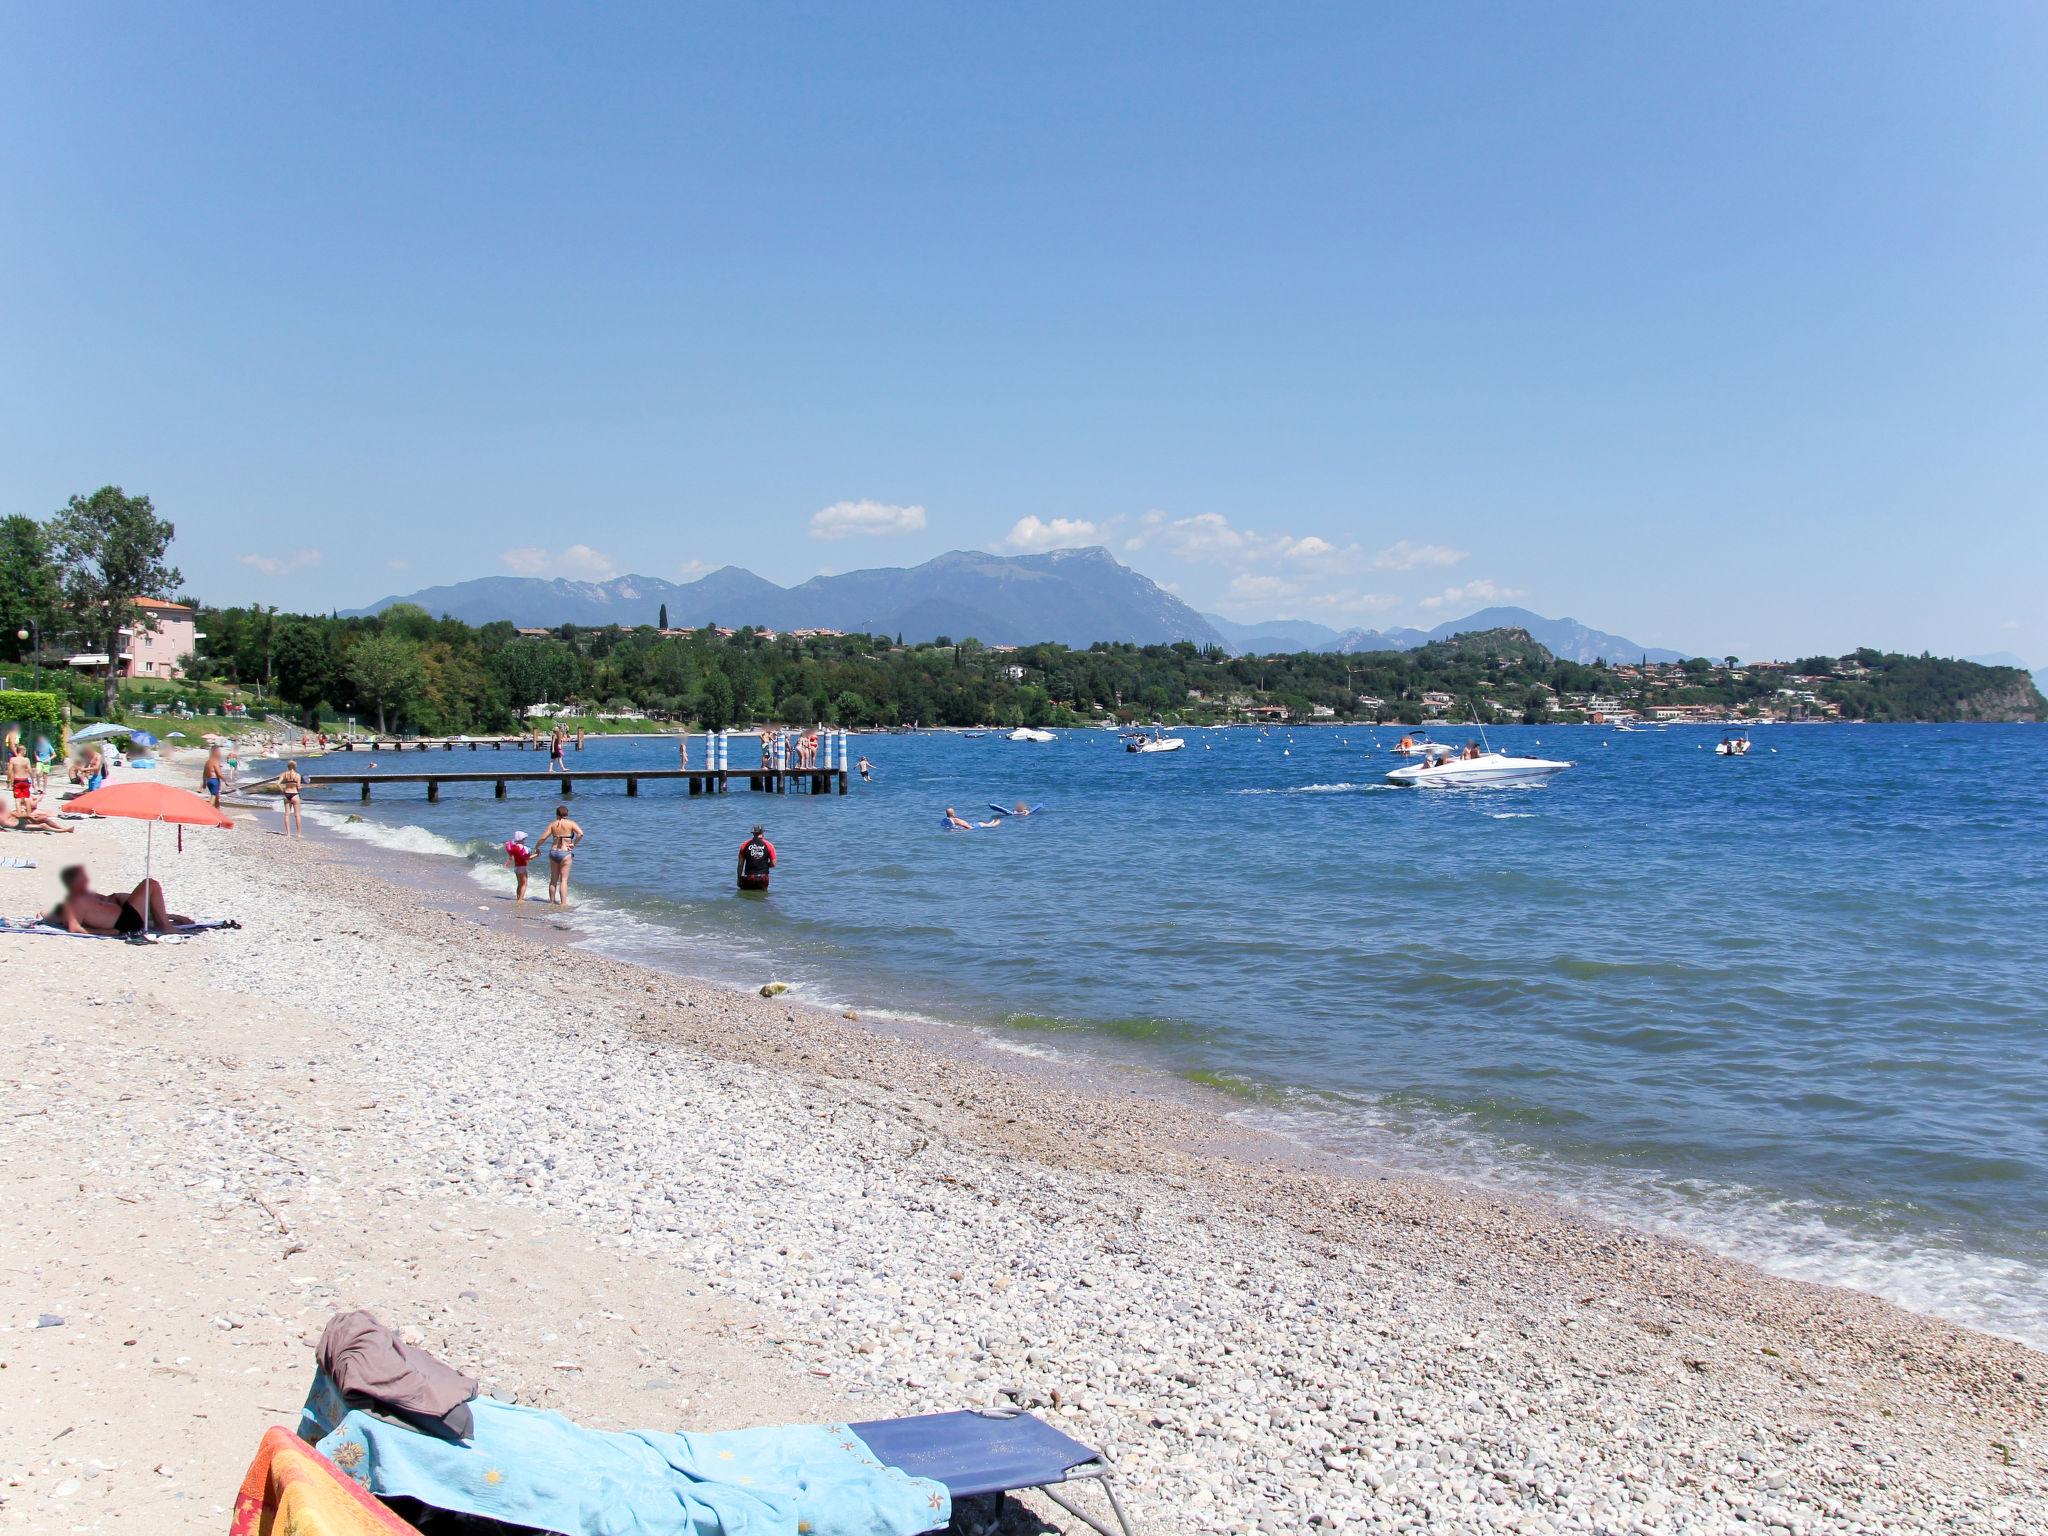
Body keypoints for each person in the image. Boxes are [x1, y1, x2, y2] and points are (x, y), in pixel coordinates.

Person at [47, 865, 187, 935]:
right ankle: (165, 926)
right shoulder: (74, 901)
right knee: (150, 884)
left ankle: (168, 919)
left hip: (125, 918)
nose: (87, 879)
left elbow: (46, 914)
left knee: (119, 897)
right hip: (123, 923)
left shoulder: (84, 895)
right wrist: (103, 932)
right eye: (83, 877)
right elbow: (74, 927)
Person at [537, 803, 584, 904]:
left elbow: (543, 838)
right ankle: (563, 903)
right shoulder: (571, 823)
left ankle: (552, 902)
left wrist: (537, 847)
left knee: (553, 879)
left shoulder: (553, 824)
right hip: (565, 853)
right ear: (567, 814)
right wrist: (574, 844)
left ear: (557, 814)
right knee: (563, 880)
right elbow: (580, 833)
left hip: (553, 852)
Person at [736, 824, 776, 891]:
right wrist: (764, 865)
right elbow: (773, 864)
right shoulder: (769, 845)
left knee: (747, 898)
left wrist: (739, 878)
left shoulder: (744, 845)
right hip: (763, 878)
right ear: (763, 832)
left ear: (753, 833)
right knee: (762, 898)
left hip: (749, 877)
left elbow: (740, 865)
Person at [504, 829, 533, 902]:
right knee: (524, 884)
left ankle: (518, 897)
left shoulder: (513, 848)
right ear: (522, 840)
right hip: (523, 867)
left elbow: (511, 857)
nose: (525, 840)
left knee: (519, 884)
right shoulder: (525, 848)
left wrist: (507, 863)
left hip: (516, 867)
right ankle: (520, 899)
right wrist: (536, 855)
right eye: (524, 839)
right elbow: (528, 858)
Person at [278, 760, 304, 838]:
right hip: (295, 794)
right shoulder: (297, 775)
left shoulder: (284, 774)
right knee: (297, 815)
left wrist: (282, 791)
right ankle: (298, 834)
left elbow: (277, 784)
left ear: (288, 766)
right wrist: (300, 787)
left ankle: (288, 834)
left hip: (287, 794)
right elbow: (298, 787)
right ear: (295, 766)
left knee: (287, 814)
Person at [6, 740, 30, 811]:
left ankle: (19, 814)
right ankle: (29, 814)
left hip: (17, 780)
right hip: (25, 780)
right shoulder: (27, 760)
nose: (25, 752)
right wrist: (32, 779)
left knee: (17, 799)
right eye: (25, 751)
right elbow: (30, 771)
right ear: (22, 751)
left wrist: (9, 781)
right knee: (26, 798)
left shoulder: (12, 759)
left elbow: (10, 771)